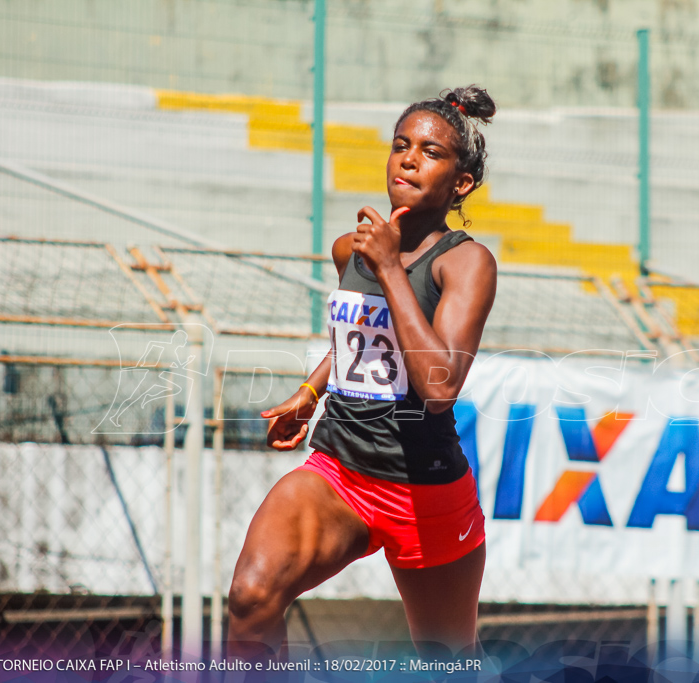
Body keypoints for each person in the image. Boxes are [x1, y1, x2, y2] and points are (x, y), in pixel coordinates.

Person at [227, 85, 498, 663]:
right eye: (401, 144)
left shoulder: (466, 262)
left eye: (429, 151)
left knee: (449, 664)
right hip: (340, 470)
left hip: (424, 490)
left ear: (461, 184)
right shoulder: (354, 249)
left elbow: (441, 386)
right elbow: (364, 335)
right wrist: (311, 389)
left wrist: (391, 267)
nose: (408, 157)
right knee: (251, 598)